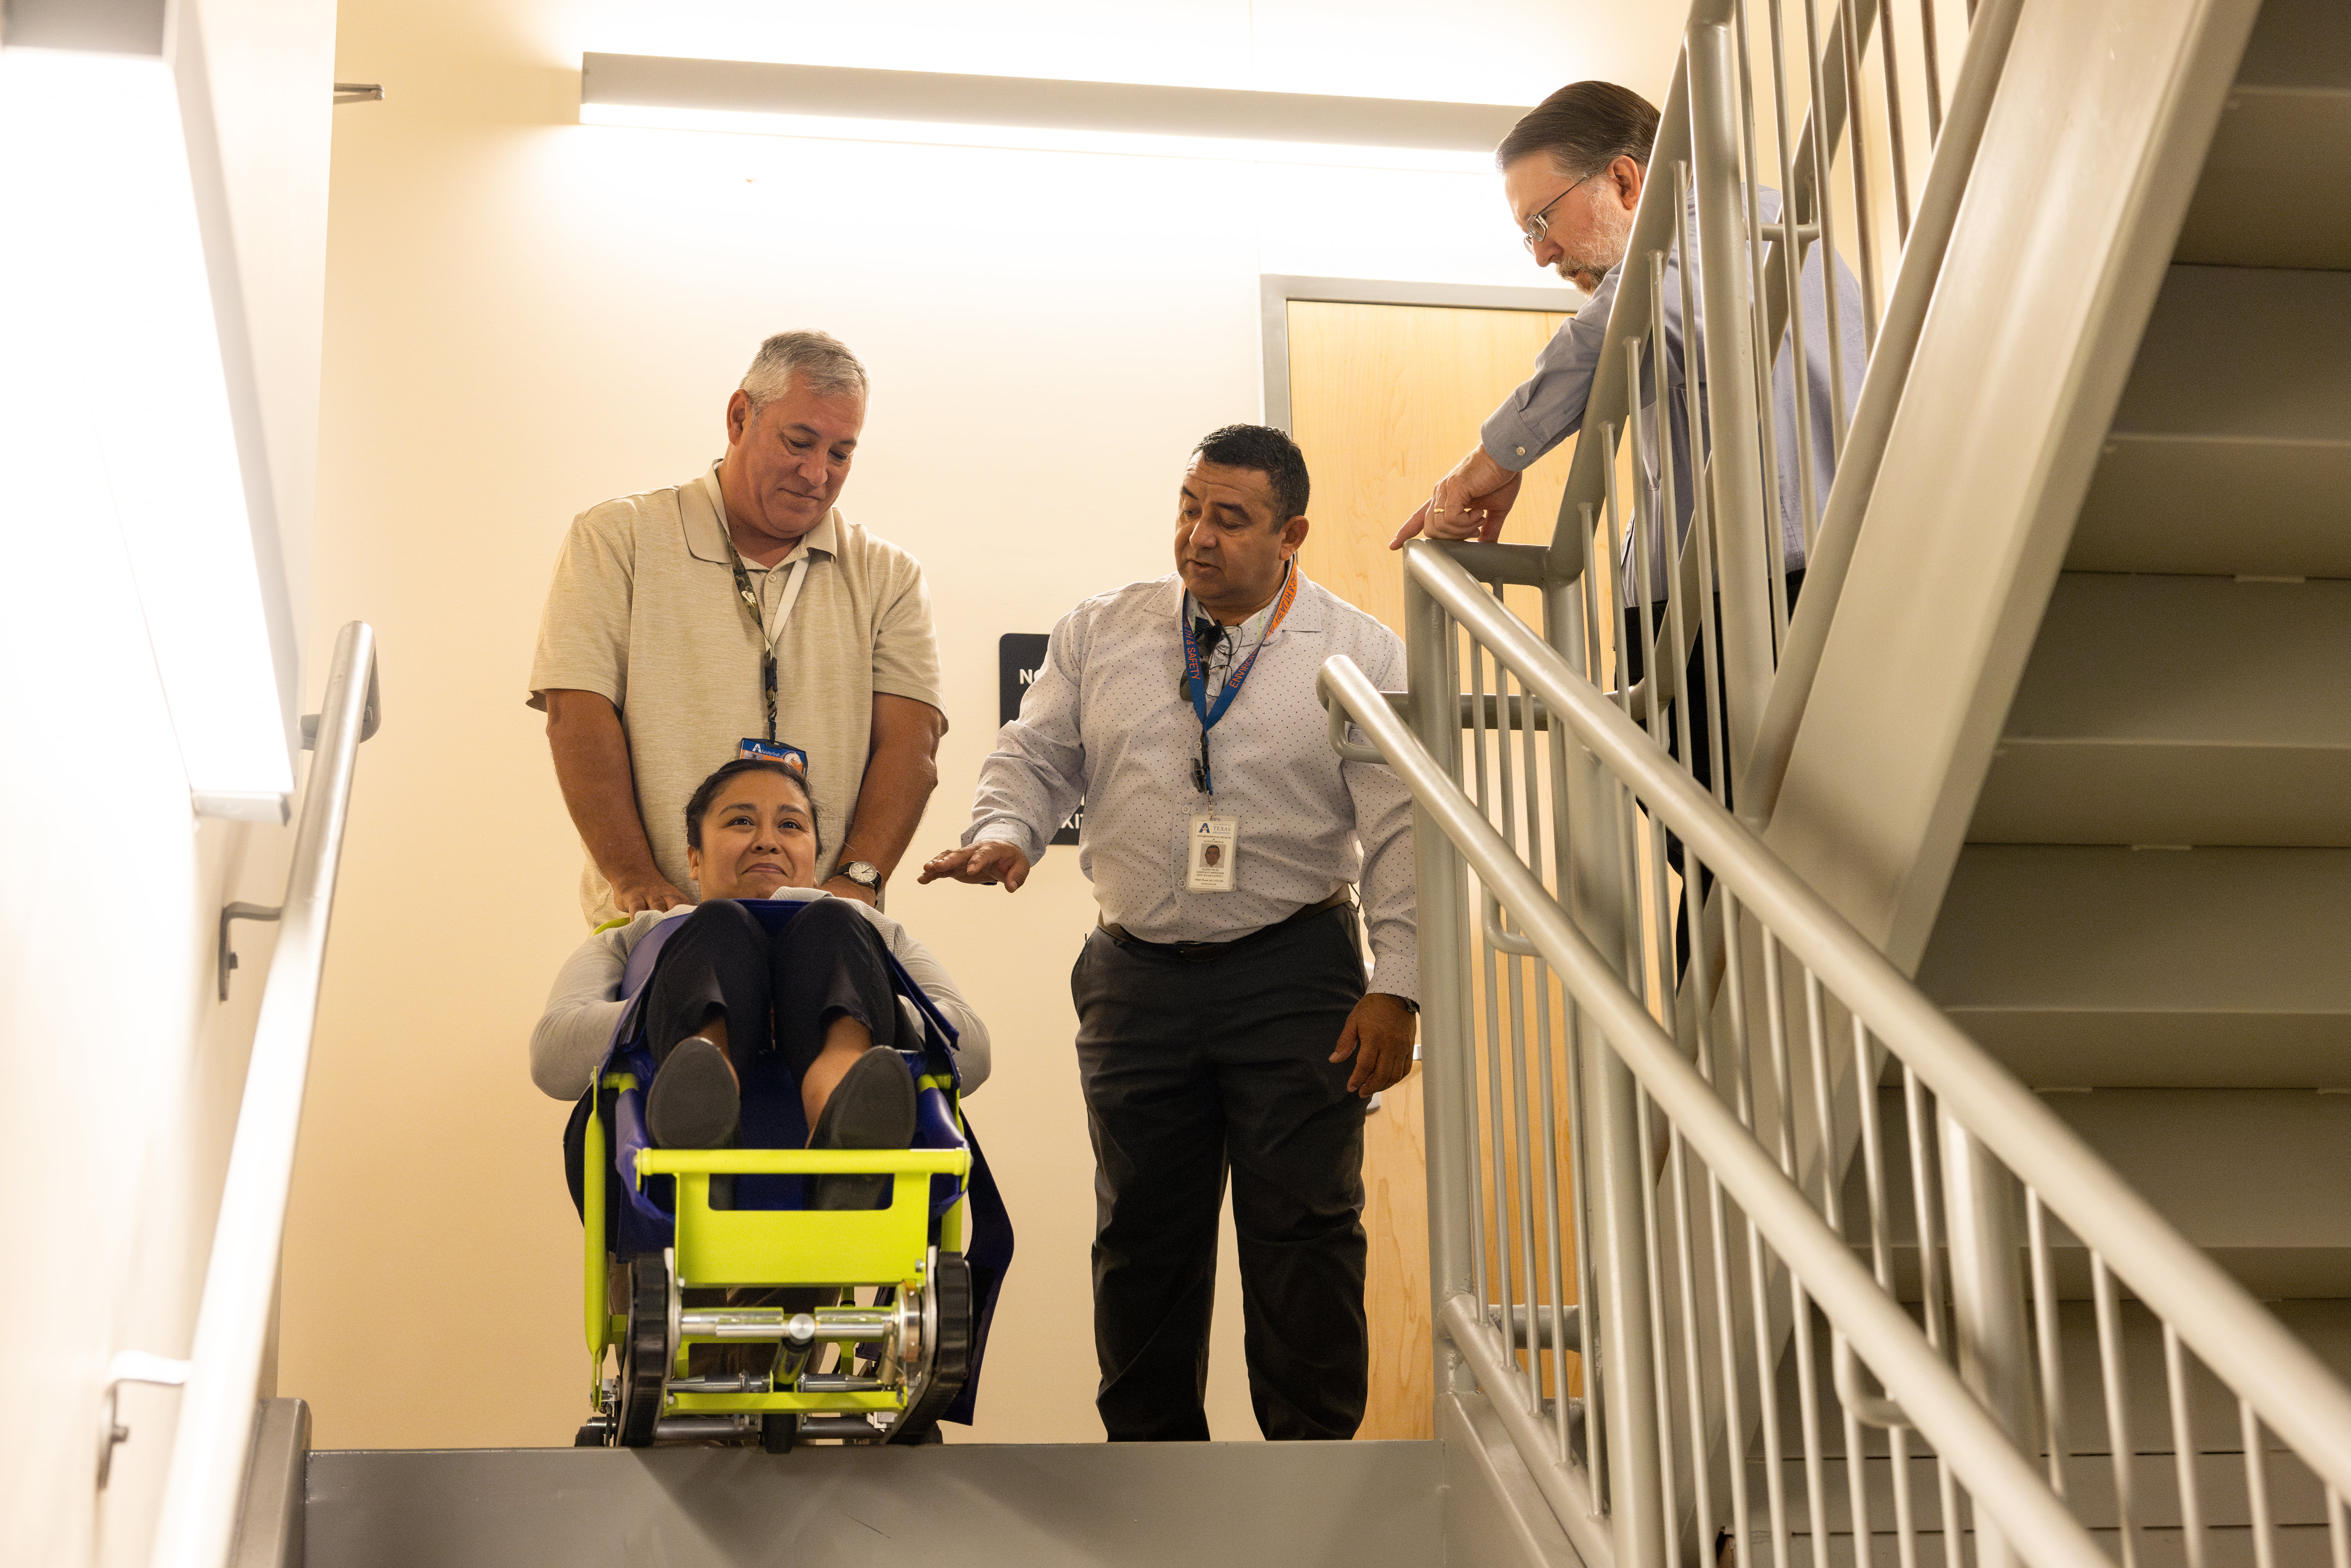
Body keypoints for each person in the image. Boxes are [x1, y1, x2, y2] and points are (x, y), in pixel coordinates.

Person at [919, 424, 1417, 1443]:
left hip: (1295, 972)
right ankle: (1150, 1473)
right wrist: (1005, 829)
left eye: (1229, 518)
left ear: (1291, 534)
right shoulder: (1102, 629)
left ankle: (1313, 1474)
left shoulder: (1358, 652)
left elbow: (1402, 828)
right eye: (1189, 509)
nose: (1198, 536)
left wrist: (1398, 982)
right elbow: (1035, 754)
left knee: (1305, 1232)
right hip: (1134, 977)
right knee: (1141, 1233)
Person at [1391, 79, 1866, 710]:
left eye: (1542, 222)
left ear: (1624, 180)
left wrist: (1494, 459)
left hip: (1771, 602)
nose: (1542, 256)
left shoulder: (1731, 230)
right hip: (1723, 602)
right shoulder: (1711, 250)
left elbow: (1619, 326)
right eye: (1528, 235)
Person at [529, 330, 946, 927]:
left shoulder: (890, 576)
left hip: (822, 932)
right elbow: (576, 716)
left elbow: (911, 748)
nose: (816, 473)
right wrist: (634, 877)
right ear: (739, 416)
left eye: (840, 454)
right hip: (658, 925)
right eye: (799, 442)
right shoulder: (617, 539)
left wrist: (857, 882)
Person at [534, 757, 989, 1200]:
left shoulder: (875, 931)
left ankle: (847, 1133)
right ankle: (701, 1100)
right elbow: (553, 1061)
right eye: (740, 822)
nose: (767, 841)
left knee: (832, 920)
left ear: (815, 857)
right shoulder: (632, 937)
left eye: (791, 825)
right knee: (718, 924)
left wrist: (853, 1006)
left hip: (885, 1178)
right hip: (650, 1172)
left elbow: (973, 1052)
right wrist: (678, 1005)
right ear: (695, 858)